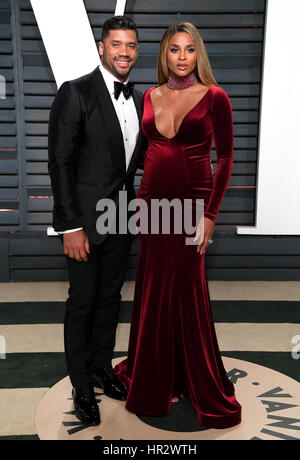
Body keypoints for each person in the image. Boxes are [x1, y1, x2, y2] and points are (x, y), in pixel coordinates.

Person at [114, 22, 242, 429]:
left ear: (197, 54)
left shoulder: (216, 97)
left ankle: (193, 377)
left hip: (191, 209)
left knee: (186, 292)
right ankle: (156, 378)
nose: (181, 57)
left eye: (188, 49)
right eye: (174, 49)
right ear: (164, 54)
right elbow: (143, 150)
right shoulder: (149, 96)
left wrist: (209, 215)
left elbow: (225, 160)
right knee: (152, 290)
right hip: (152, 207)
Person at [48, 16, 146, 426]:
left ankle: (103, 369)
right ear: (102, 48)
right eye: (116, 44)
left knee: (111, 299)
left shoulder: (141, 99)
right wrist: (70, 226)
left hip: (122, 217)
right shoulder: (75, 92)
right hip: (84, 224)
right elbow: (60, 163)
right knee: (82, 302)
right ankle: (81, 385)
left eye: (131, 45)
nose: (124, 52)